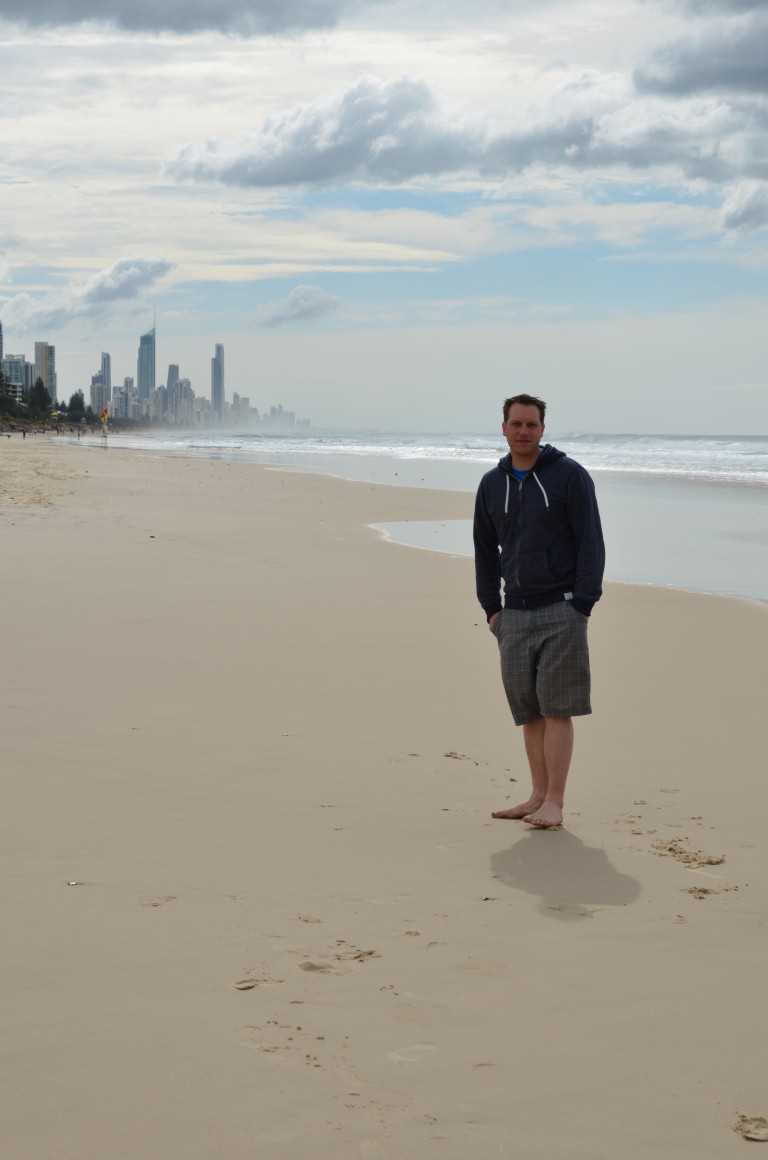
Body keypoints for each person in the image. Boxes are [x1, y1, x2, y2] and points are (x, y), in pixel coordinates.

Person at [474, 393, 605, 829]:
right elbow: (484, 551)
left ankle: (555, 802)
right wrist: (492, 610)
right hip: (512, 614)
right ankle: (535, 795)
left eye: (531, 424)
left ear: (542, 429)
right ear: (504, 428)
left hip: (561, 609)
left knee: (556, 708)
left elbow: (590, 541)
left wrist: (582, 604)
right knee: (528, 711)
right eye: (516, 424)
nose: (523, 431)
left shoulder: (569, 476)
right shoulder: (491, 484)